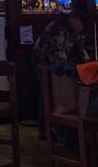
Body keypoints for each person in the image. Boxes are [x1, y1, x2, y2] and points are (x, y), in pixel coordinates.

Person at [32, 9, 89, 140]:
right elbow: (57, 52)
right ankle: (46, 129)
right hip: (44, 62)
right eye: (81, 21)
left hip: (53, 63)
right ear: (73, 19)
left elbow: (80, 50)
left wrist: (87, 62)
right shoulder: (58, 29)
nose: (82, 25)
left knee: (50, 93)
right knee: (46, 93)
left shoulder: (71, 30)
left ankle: (57, 128)